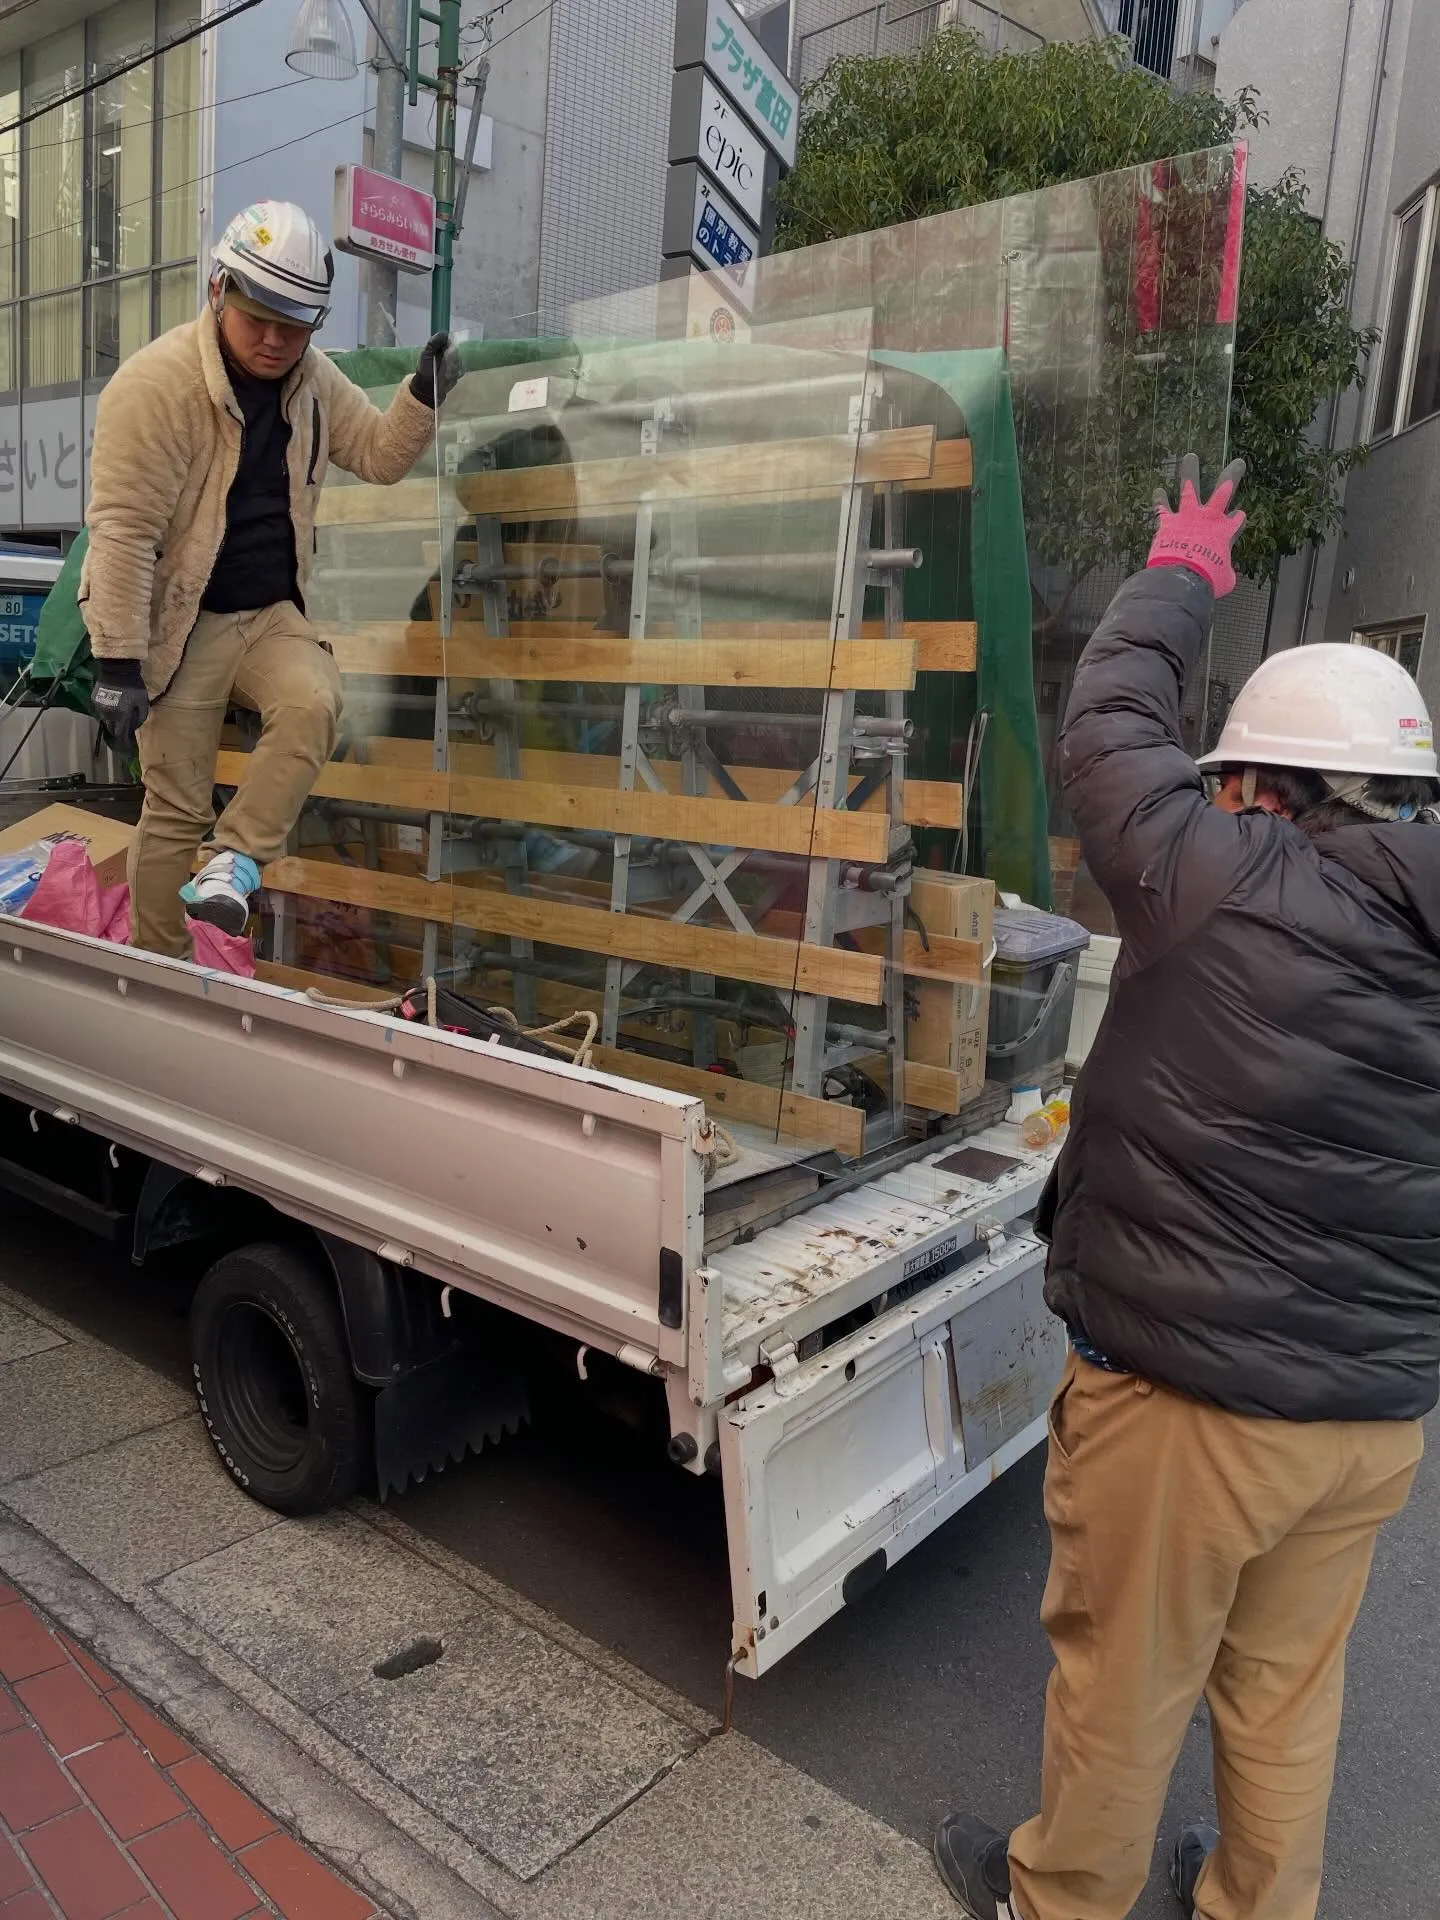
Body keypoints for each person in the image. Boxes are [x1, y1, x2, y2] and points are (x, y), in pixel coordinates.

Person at [933, 456, 1440, 1920]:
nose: (1222, 803)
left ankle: (1061, 1902)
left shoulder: (1232, 880)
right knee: (1284, 1703)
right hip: (1368, 1427)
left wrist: (1181, 574)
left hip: (1194, 1413)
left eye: (1235, 785)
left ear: (1279, 786)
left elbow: (1106, 728)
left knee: (1123, 1683)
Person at [81, 199, 460, 952]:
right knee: (174, 808)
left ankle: (233, 865)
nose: (274, 340)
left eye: (294, 326)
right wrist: (117, 661)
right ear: (219, 290)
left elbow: (380, 457)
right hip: (176, 623)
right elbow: (124, 532)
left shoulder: (312, 380)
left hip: (268, 611)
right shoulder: (153, 387)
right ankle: (161, 966)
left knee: (315, 699)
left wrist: (420, 397)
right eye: (259, 318)